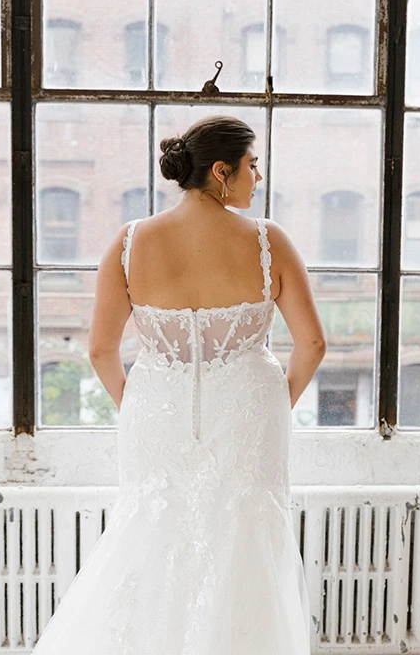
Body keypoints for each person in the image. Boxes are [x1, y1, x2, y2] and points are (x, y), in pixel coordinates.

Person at [31, 115, 326, 654]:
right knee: (245, 540)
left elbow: (100, 349)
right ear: (221, 171)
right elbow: (312, 345)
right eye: (252, 166)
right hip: (248, 420)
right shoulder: (267, 241)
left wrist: (143, 405)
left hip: (156, 417)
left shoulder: (129, 242)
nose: (257, 178)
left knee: (151, 533)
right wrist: (270, 405)